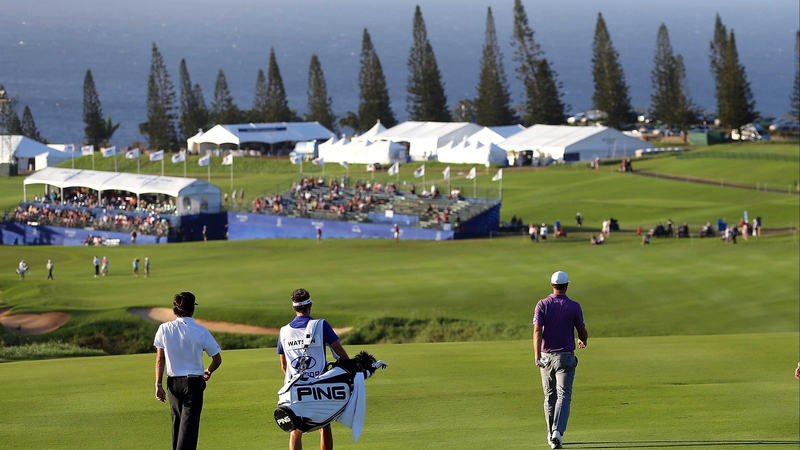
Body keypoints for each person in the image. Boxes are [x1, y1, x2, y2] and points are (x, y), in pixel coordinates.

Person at [278, 289, 350, 450]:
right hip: (321, 386)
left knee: (296, 429)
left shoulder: (284, 331)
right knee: (325, 425)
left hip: (295, 388)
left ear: (294, 308)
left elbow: (284, 365)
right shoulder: (321, 325)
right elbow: (342, 355)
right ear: (309, 306)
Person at [154, 292, 223, 450]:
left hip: (173, 384)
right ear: (192, 309)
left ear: (175, 309)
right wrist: (209, 370)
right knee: (189, 429)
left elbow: (160, 359)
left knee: (178, 424)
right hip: (193, 382)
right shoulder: (200, 331)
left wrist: (158, 384)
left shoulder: (164, 329)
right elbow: (217, 359)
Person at [533, 271, 588, 450]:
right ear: (567, 285)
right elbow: (581, 330)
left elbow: (537, 331)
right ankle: (557, 432)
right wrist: (583, 340)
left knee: (550, 397)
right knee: (563, 395)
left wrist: (536, 356)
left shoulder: (542, 304)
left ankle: (551, 435)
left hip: (546, 357)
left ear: (551, 285)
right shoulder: (574, 306)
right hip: (565, 357)